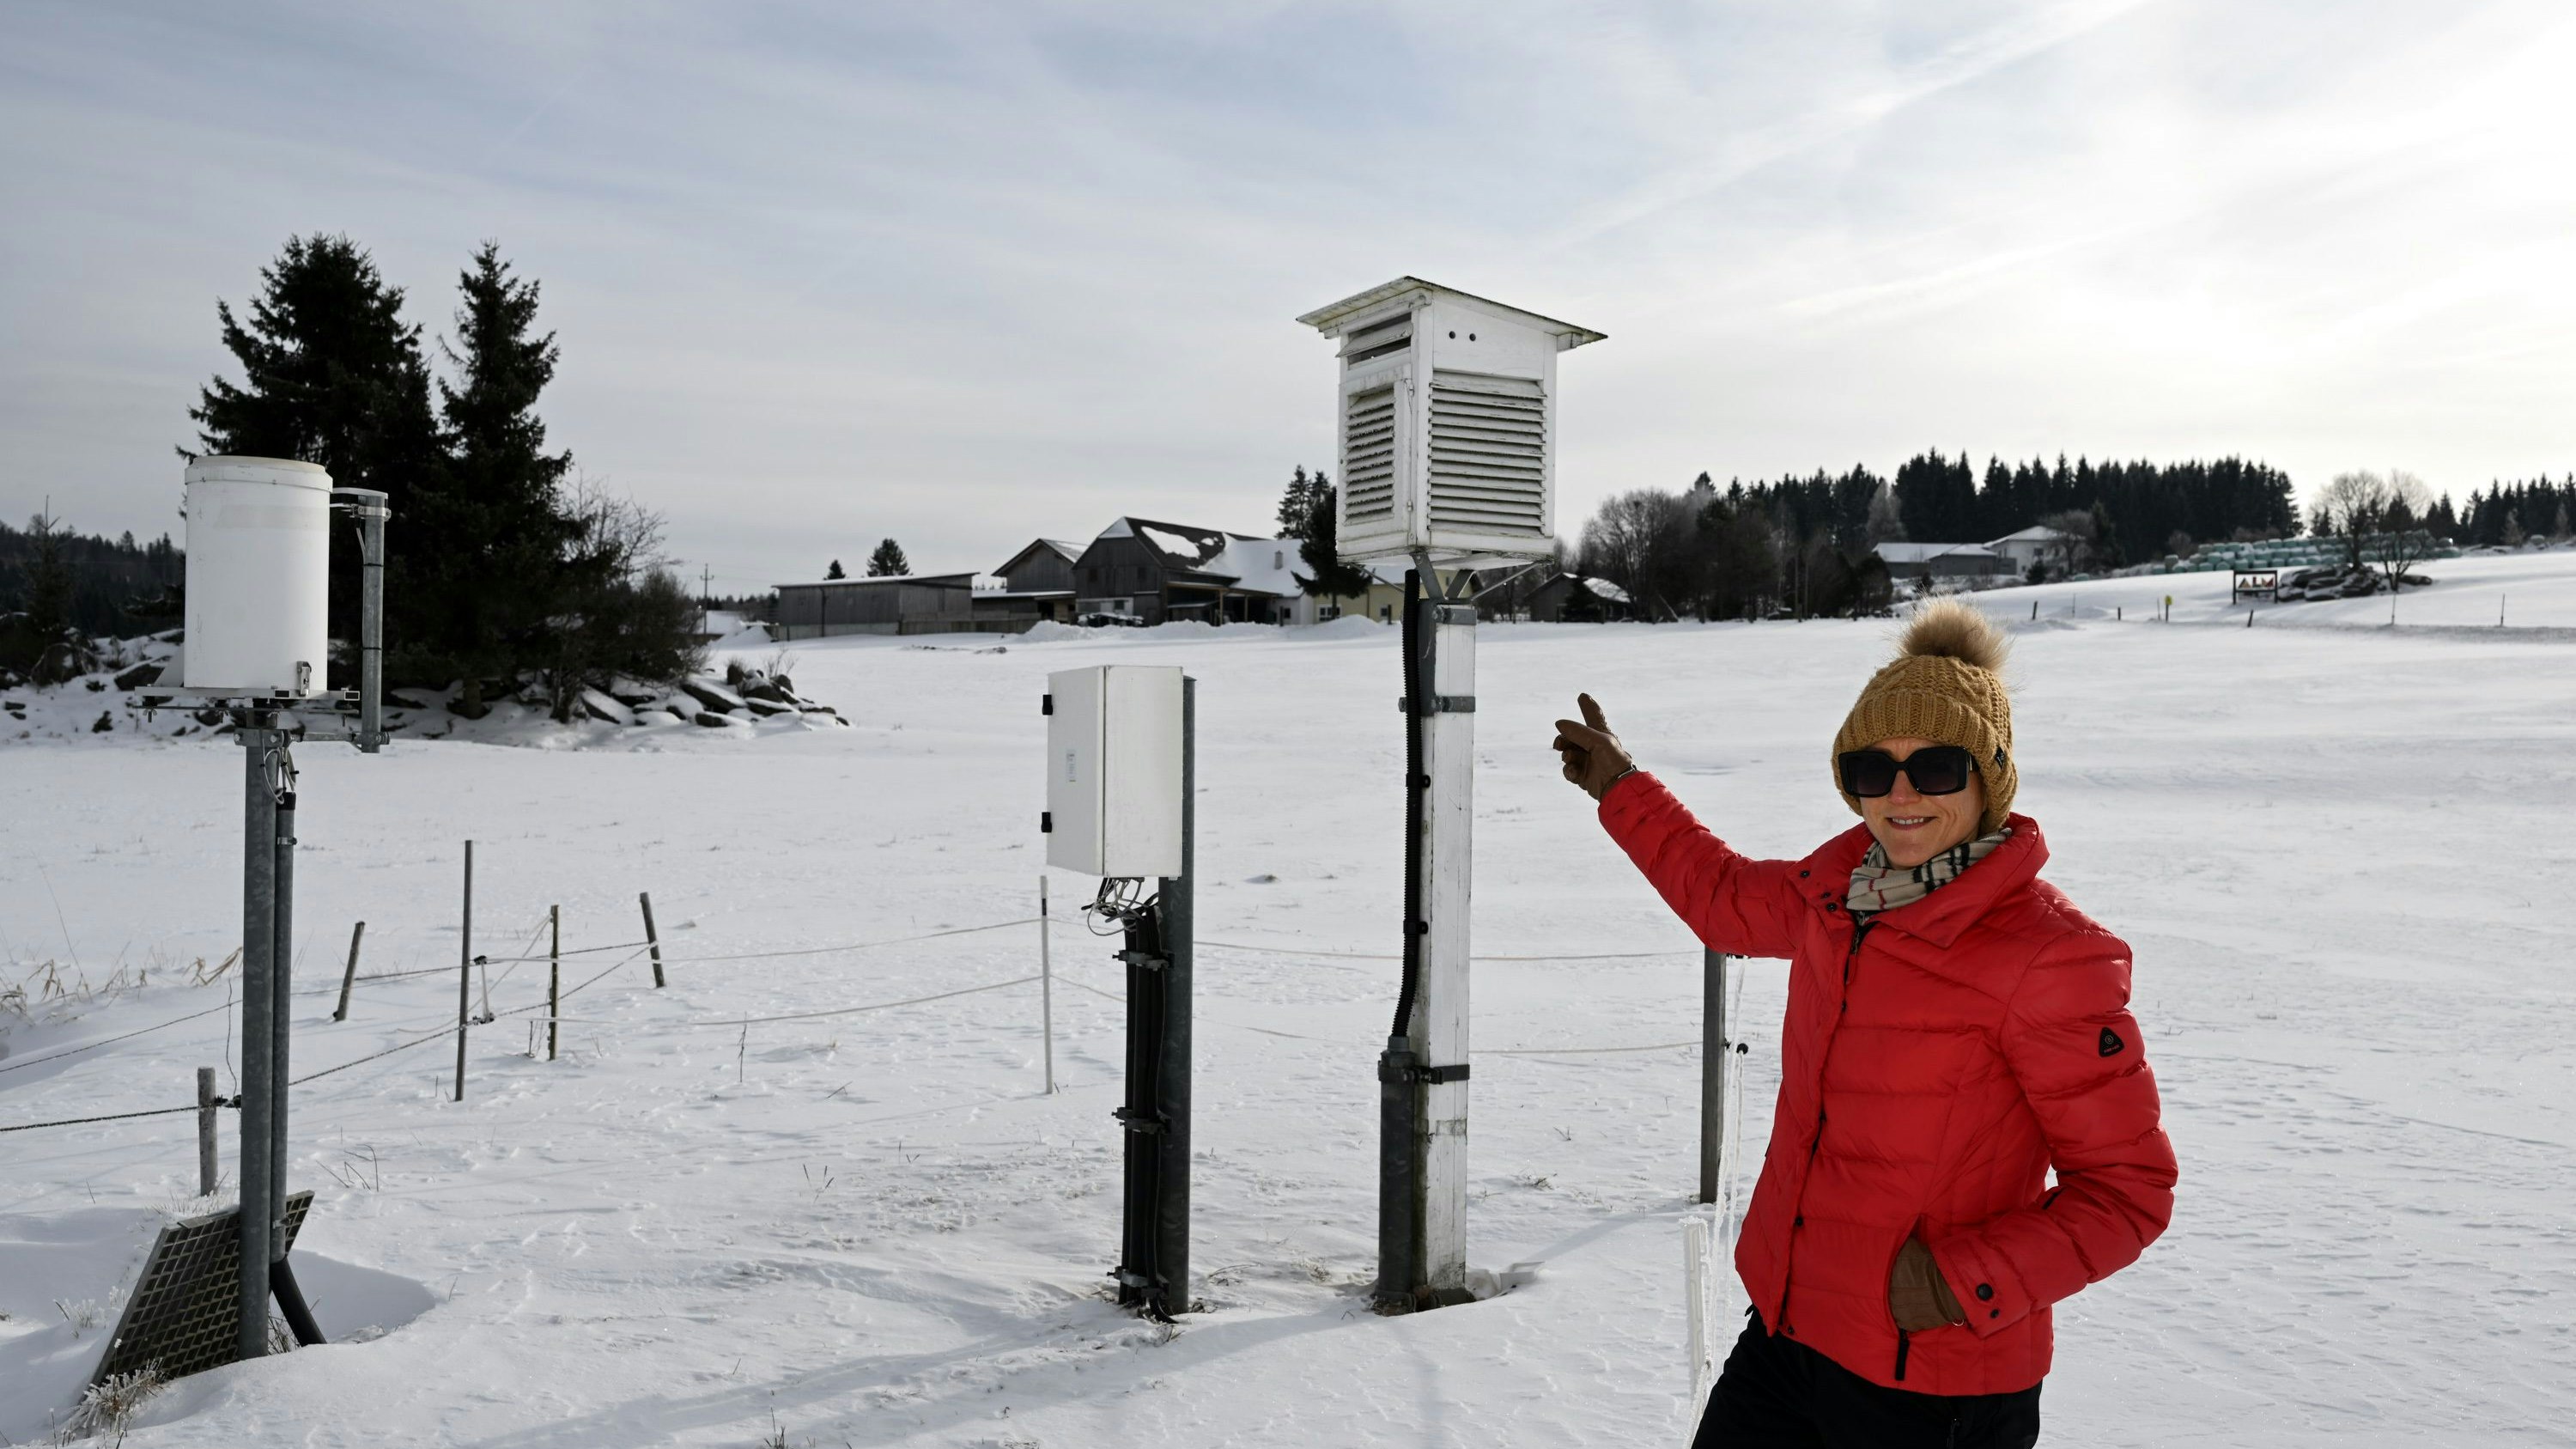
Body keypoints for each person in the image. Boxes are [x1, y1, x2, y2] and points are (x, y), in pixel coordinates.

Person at [1551, 599, 2176, 1449]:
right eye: (1873, 771)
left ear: (1989, 776)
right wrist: (1622, 787)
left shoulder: (2047, 956)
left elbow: (2128, 1193)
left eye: (1937, 765)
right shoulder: (1835, 898)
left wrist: (1964, 1283)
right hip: (1789, 1328)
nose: (1902, 794)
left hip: (1930, 1383)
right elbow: (1724, 897)